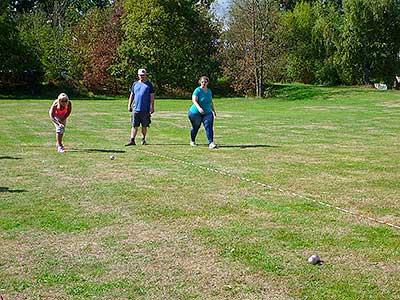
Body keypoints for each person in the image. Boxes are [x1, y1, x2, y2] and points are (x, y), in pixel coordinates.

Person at [125, 68, 155, 146]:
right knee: (134, 125)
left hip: (145, 109)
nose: (142, 77)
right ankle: (132, 140)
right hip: (136, 109)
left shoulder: (149, 85)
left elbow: (152, 96)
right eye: (141, 75)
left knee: (144, 125)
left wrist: (152, 107)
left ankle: (143, 139)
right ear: (138, 76)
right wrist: (129, 105)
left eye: (143, 75)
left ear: (146, 75)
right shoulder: (135, 84)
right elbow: (132, 95)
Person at [188, 76, 217, 148]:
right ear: (200, 82)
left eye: (205, 82)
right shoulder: (197, 90)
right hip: (195, 113)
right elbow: (194, 100)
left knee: (209, 126)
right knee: (196, 127)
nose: (203, 83)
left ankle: (211, 143)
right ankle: (192, 140)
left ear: (207, 83)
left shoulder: (209, 91)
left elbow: (211, 102)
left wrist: (213, 111)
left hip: (207, 112)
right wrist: (199, 108)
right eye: (202, 82)